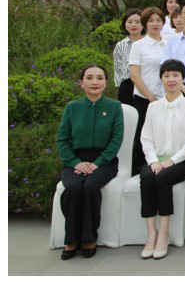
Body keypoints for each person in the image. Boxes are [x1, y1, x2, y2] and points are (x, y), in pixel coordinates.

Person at [56, 64, 124, 260]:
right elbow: (62, 140)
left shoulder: (114, 107)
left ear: (106, 82)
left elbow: (116, 140)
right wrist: (75, 162)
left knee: (90, 187)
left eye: (100, 78)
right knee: (72, 187)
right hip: (76, 161)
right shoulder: (72, 107)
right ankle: (71, 239)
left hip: (104, 162)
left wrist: (97, 163)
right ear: (81, 83)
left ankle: (89, 237)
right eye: (90, 78)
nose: (95, 82)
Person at [140, 59, 185, 260]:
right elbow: (146, 138)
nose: (171, 79)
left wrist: (171, 162)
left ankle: (164, 231)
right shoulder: (153, 107)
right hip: (156, 159)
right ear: (161, 79)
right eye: (166, 75)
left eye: (176, 75)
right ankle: (151, 232)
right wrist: (153, 161)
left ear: (183, 79)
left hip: (183, 162)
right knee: (147, 177)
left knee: (163, 177)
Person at [128, 7, 166, 175]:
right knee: (142, 137)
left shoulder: (169, 43)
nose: (155, 24)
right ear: (145, 24)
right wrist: (150, 97)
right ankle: (138, 171)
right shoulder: (138, 46)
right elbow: (135, 76)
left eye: (158, 20)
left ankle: (161, 167)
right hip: (144, 99)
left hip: (166, 99)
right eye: (150, 21)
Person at [114, 8, 143, 105]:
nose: (134, 25)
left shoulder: (149, 43)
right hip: (126, 86)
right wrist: (119, 86)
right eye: (130, 22)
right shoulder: (120, 45)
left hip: (146, 85)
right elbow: (117, 68)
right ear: (124, 24)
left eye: (137, 22)